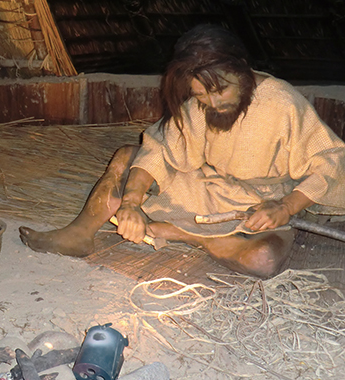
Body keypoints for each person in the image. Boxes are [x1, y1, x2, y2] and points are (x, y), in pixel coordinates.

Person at [19, 24, 345, 279]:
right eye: (203, 97)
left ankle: (186, 235)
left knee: (262, 260)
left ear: (242, 68)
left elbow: (329, 160)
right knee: (126, 158)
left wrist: (285, 207)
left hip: (260, 203)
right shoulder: (199, 104)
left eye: (221, 91)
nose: (214, 104)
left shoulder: (280, 101)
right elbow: (159, 149)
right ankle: (81, 233)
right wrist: (131, 203)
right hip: (205, 190)